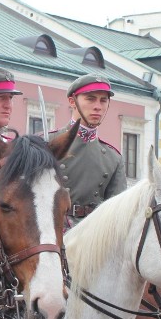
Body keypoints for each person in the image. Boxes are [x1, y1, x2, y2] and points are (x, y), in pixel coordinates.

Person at [51, 74, 126, 229]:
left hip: (93, 234)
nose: (98, 106)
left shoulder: (113, 158)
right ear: (72, 101)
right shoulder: (47, 143)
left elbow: (119, 213)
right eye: (90, 99)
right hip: (51, 231)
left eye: (103, 100)